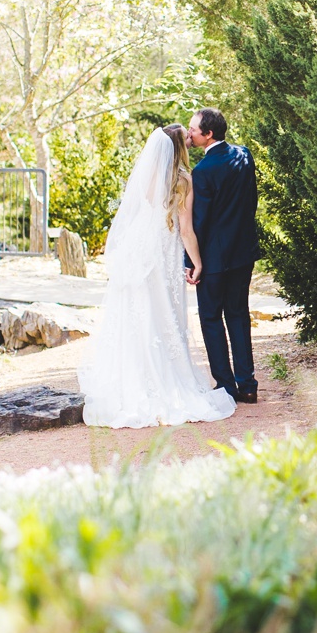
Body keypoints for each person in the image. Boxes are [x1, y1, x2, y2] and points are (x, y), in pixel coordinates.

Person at [78, 124, 236, 427]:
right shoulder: (183, 180)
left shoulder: (148, 175)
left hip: (138, 248)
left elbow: (136, 212)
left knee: (136, 314)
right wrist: (198, 262)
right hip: (162, 251)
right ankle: (161, 380)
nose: (191, 139)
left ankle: (132, 380)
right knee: (162, 312)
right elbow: (186, 229)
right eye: (187, 137)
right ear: (179, 148)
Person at [185, 106, 260, 403]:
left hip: (214, 260)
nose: (190, 133)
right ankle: (248, 384)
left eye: (193, 129)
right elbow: (251, 200)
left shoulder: (201, 172)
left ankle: (226, 387)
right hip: (243, 251)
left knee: (211, 318)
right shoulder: (244, 155)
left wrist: (192, 263)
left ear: (209, 134)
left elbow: (199, 222)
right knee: (239, 316)